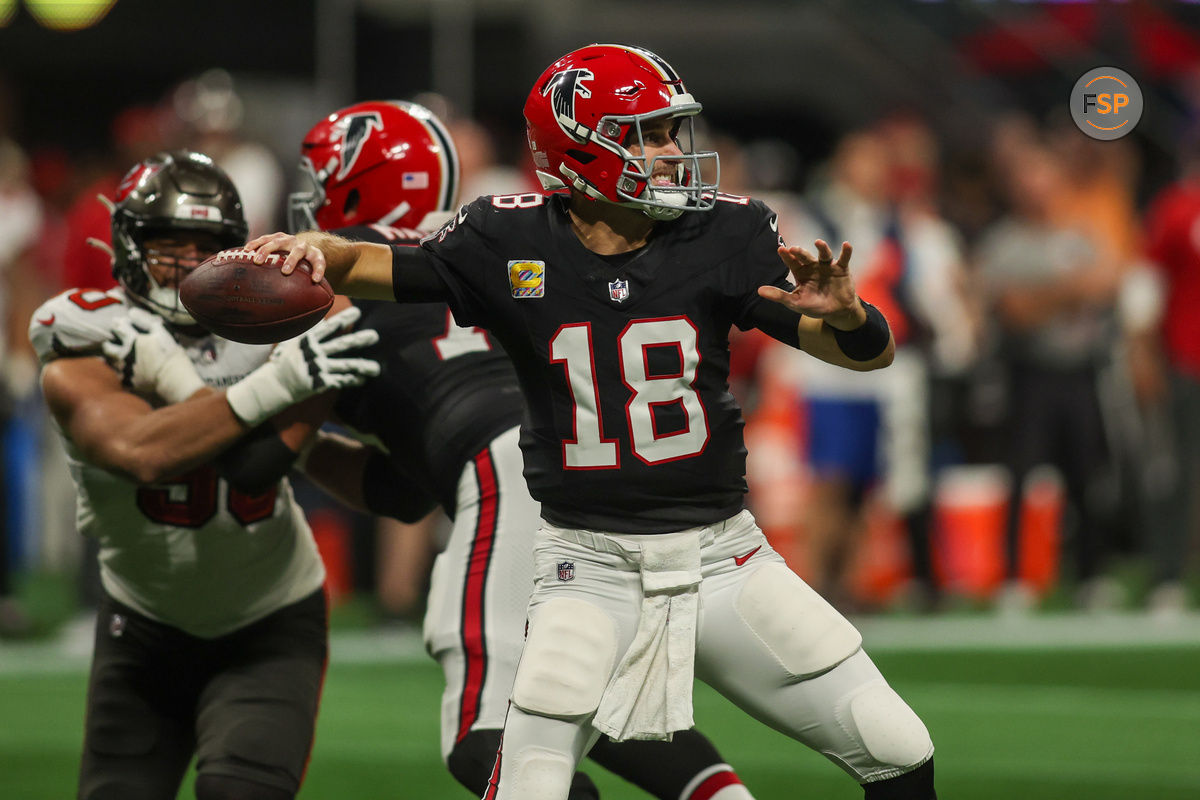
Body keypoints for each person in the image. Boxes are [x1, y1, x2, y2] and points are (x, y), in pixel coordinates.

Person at [250, 45, 936, 800]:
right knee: (527, 787)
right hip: (589, 568)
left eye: (672, 132)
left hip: (724, 559)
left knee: (895, 744)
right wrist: (307, 247)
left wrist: (852, 315)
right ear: (577, 152)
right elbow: (365, 263)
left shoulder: (724, 233)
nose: (672, 154)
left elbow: (864, 354)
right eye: (646, 134)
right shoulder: (506, 240)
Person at [287, 98, 758, 800]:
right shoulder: (484, 242)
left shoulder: (339, 276)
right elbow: (405, 490)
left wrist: (248, 414)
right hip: (580, 465)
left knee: (485, 740)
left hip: (506, 472)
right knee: (595, 694)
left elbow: (262, 455)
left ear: (352, 182)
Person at [29, 150, 379, 800]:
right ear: (129, 246)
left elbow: (256, 466)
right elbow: (142, 451)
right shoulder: (86, 336)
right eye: (167, 245)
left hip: (270, 615)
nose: (188, 263)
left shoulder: (280, 325)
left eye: (207, 246)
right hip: (142, 622)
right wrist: (277, 384)